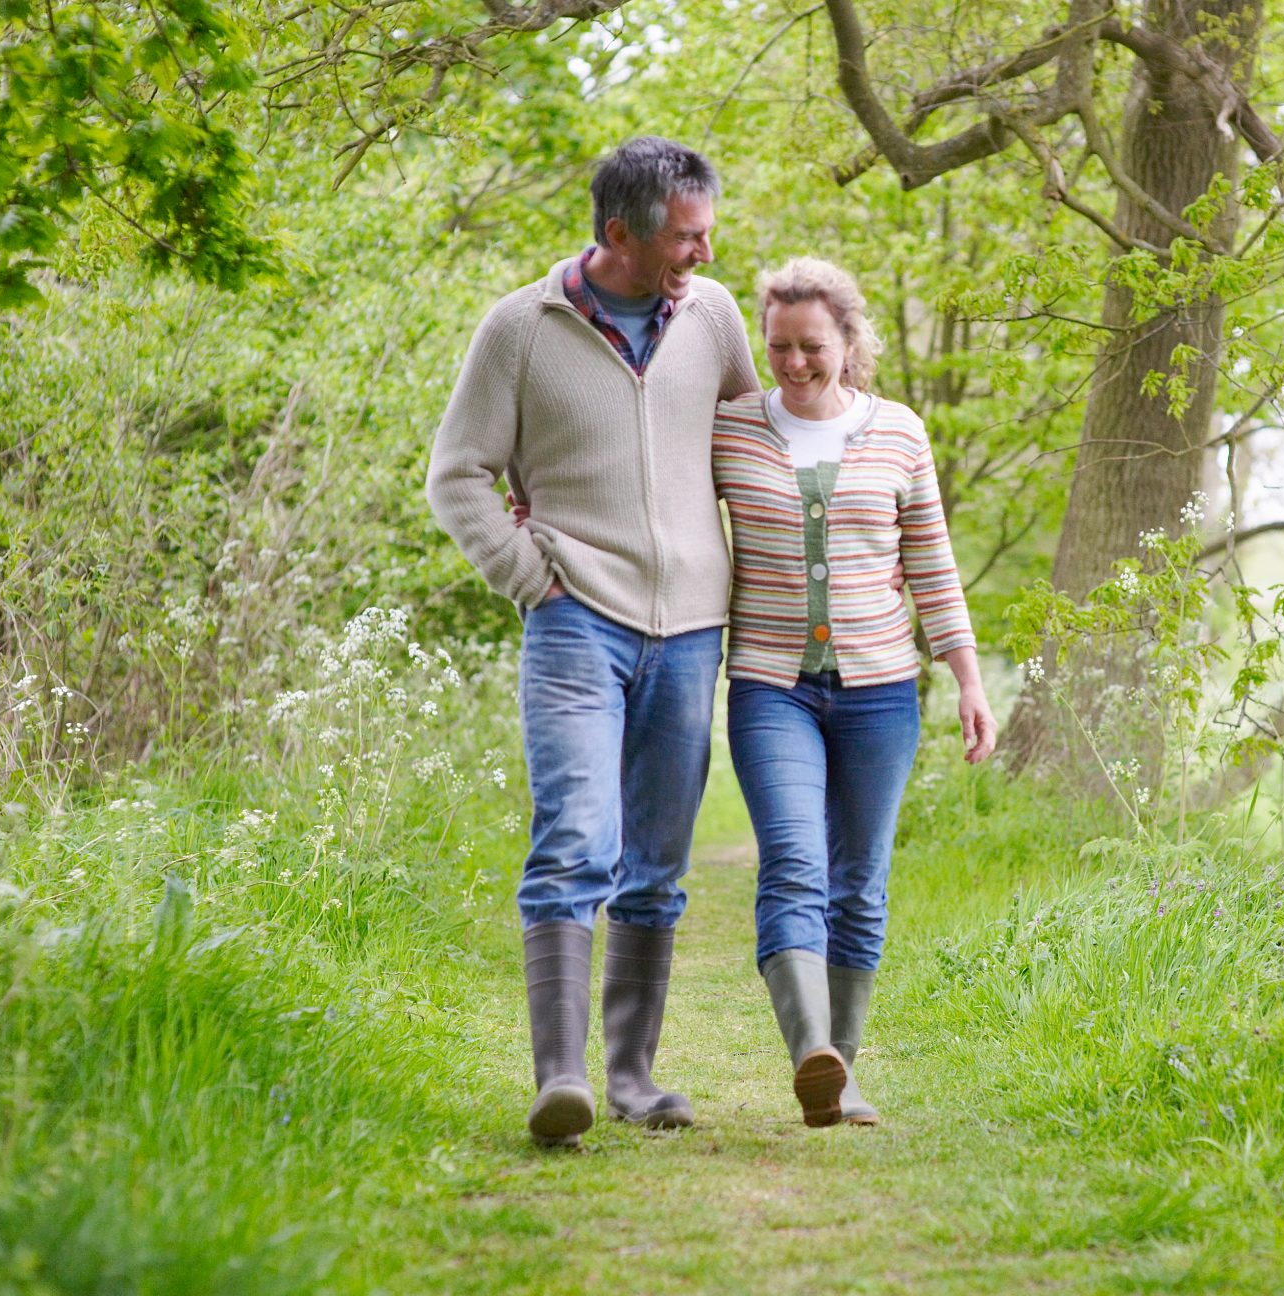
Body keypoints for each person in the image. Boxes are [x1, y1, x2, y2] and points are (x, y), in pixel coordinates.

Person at [426, 137, 759, 1146]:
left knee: (656, 862)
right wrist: (528, 575)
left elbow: (750, 443)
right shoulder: (520, 329)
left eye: (706, 231)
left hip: (690, 628)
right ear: (620, 233)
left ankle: (632, 1078)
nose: (702, 253)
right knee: (576, 837)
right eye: (684, 237)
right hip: (575, 621)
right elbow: (456, 474)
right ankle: (559, 1079)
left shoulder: (714, 317)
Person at [713, 257, 998, 1128]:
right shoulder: (729, 428)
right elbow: (647, 491)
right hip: (771, 686)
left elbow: (933, 567)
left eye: (812, 347)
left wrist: (968, 678)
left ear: (849, 341)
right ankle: (813, 1055)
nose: (794, 364)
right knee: (796, 863)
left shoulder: (901, 433)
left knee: (861, 883)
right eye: (779, 349)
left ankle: (847, 1069)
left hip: (881, 692)